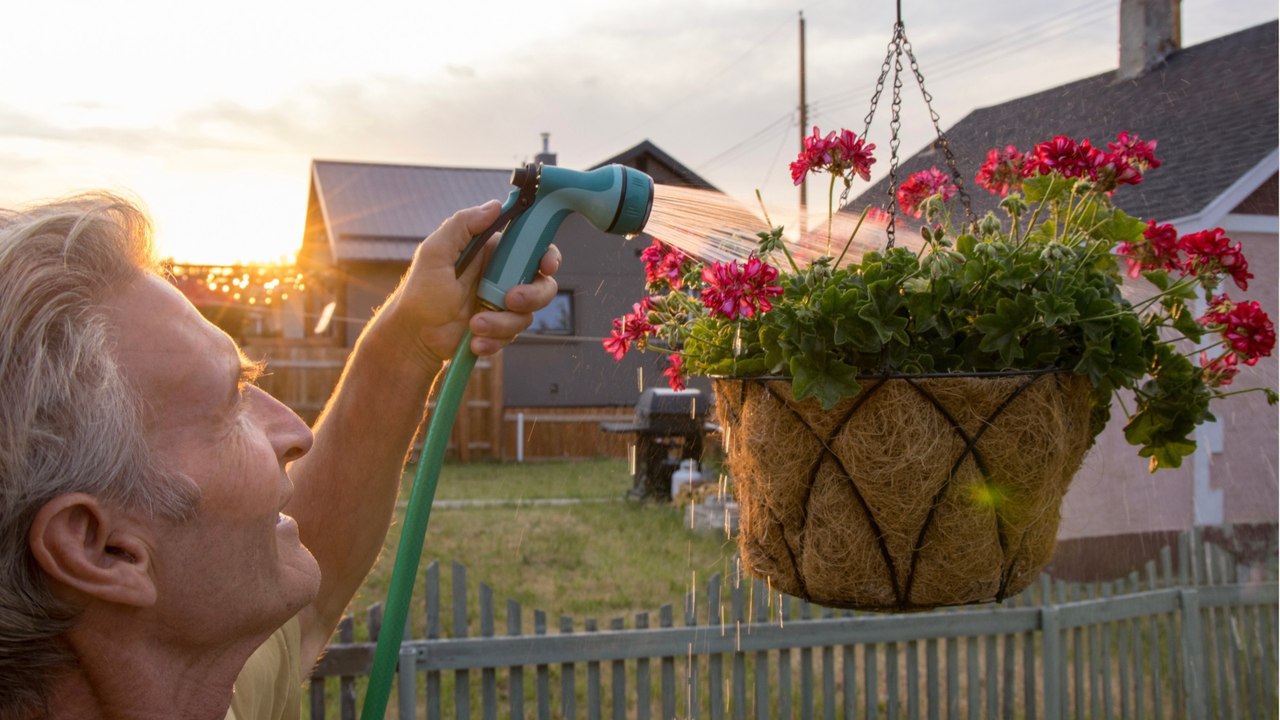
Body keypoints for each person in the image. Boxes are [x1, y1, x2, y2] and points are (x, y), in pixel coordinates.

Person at [0, 192, 560, 719]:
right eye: (231, 401)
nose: (296, 433)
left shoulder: (203, 678)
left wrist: (411, 339)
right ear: (102, 548)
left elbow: (306, 595)